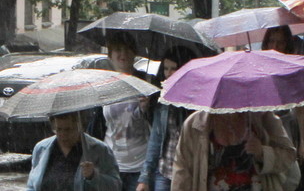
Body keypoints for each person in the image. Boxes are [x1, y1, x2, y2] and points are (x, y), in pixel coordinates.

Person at [88, 33, 151, 191]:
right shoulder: (104, 85)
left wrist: (148, 110)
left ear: (134, 53)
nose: (122, 54)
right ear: (110, 55)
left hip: (139, 166)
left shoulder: (146, 82)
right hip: (110, 165)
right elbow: (97, 127)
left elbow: (159, 125)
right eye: (117, 50)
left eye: (127, 49)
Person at [171, 111, 296, 191]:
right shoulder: (194, 125)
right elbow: (181, 175)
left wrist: (262, 153)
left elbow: (289, 155)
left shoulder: (262, 117)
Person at [136, 46, 197, 191]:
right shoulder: (163, 99)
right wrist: (144, 177)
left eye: (174, 68)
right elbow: (156, 139)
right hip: (164, 171)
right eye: (166, 68)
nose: (168, 74)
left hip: (188, 171)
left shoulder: (195, 100)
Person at [261, 26, 304, 191]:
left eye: (280, 42)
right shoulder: (258, 67)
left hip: (286, 125)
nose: (275, 46)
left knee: (292, 175)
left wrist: (302, 144)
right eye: (271, 41)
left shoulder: (292, 68)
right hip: (264, 125)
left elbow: (302, 107)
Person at [27, 112, 121, 191]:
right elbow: (32, 185)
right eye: (59, 129)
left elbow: (115, 186)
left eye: (68, 129)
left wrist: (93, 176)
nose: (63, 134)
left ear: (79, 126)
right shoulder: (41, 148)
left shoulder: (99, 150)